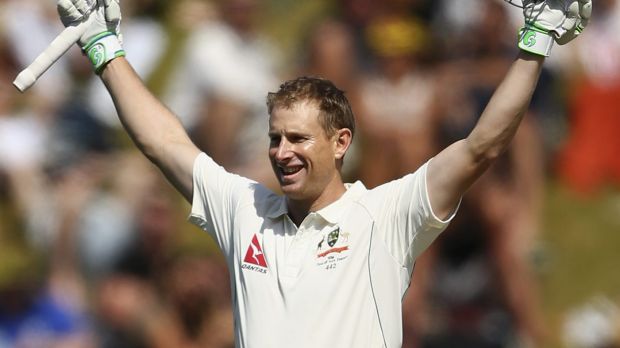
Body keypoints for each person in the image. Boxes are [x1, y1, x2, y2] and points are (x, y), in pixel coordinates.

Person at [49, 0, 591, 347]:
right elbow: (162, 140)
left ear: (340, 143)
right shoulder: (246, 210)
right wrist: (104, 47)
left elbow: (481, 147)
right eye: (274, 139)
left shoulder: (384, 216)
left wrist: (535, 41)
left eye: (298, 139)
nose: (282, 152)